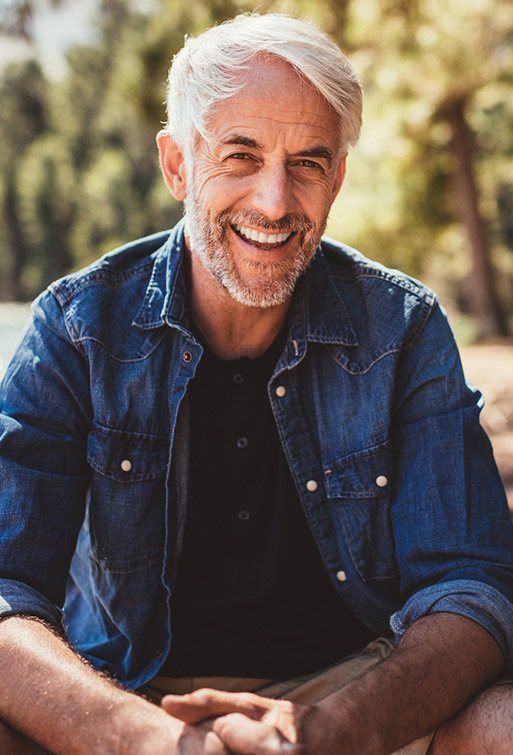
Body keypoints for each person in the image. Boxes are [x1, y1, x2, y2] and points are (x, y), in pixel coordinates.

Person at [1, 11, 513, 755]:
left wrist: (322, 733)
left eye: (307, 162)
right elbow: (10, 590)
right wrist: (144, 738)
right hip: (122, 693)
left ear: (336, 176)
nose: (275, 202)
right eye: (240, 156)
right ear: (177, 164)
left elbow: (472, 588)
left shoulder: (400, 327)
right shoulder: (78, 327)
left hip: (358, 693)